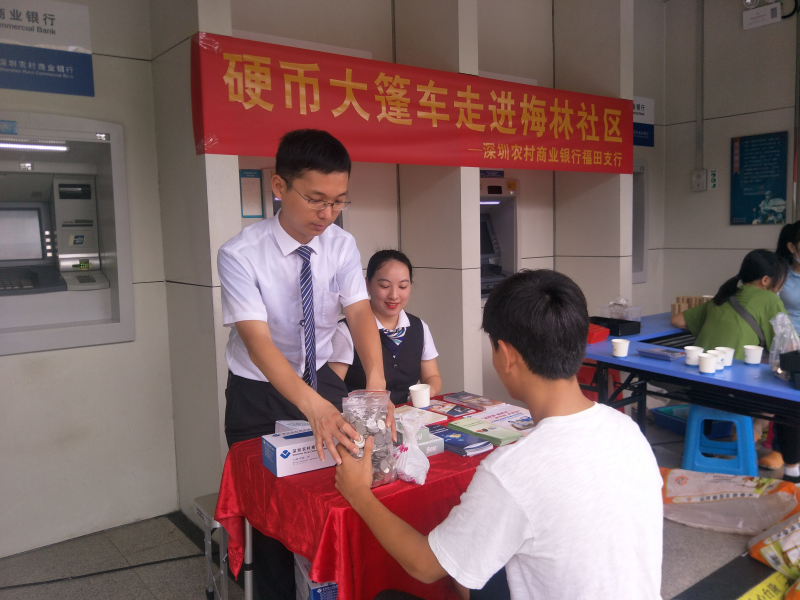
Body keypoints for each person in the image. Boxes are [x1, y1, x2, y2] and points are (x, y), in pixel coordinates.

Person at [336, 269, 664, 600]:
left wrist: (358, 493)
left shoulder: (512, 470)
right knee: (473, 568)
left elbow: (424, 566)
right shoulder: (629, 431)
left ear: (506, 355)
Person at [218, 129, 390, 600]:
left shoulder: (341, 244)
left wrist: (376, 385)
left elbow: (359, 312)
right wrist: (314, 407)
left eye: (338, 201)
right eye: (316, 200)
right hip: (258, 392)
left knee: (337, 493)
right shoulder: (240, 254)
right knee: (270, 519)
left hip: (320, 383)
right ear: (279, 186)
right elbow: (258, 343)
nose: (327, 213)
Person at [670, 249, 800, 483]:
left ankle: (708, 448)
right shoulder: (770, 300)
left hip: (699, 391)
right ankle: (793, 473)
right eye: (780, 281)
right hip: (736, 395)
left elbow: (677, 320)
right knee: (789, 403)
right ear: (766, 280)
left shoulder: (722, 297)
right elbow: (789, 346)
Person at [329, 249, 442, 404]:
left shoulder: (419, 327)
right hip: (362, 416)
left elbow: (432, 377)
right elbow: (332, 391)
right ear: (367, 284)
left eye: (403, 287)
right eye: (384, 286)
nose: (394, 295)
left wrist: (426, 392)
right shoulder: (345, 331)